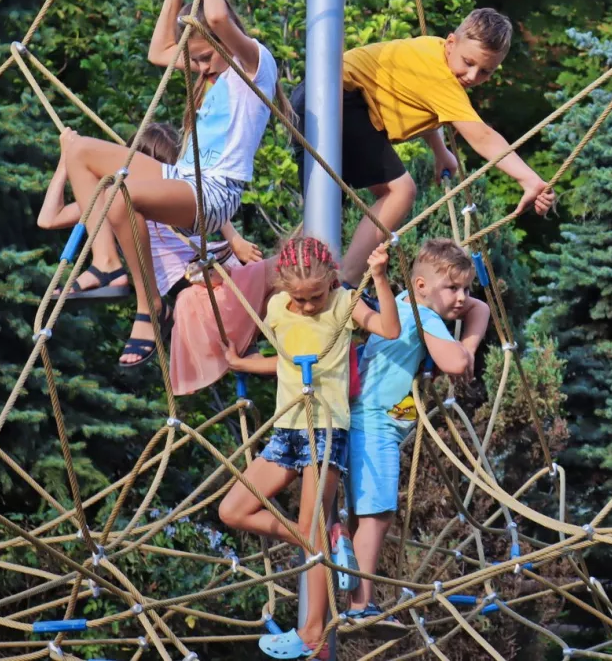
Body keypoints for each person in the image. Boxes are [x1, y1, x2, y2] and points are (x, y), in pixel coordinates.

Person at [60, 0, 280, 369]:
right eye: (193, 60)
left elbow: (215, 15)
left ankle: (150, 306)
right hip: (183, 180)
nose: (199, 68)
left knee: (122, 196)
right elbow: (159, 51)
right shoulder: (210, 74)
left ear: (221, 40)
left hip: (216, 193)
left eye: (204, 57)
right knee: (80, 152)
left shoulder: (253, 67)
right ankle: (107, 264)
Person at [221, 236, 400, 659]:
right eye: (298, 297)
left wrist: (380, 278)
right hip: (286, 429)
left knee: (311, 522)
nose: (306, 306)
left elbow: (389, 329)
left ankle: (313, 633)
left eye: (314, 296)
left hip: (325, 431)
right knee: (233, 510)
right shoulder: (278, 308)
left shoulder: (343, 304)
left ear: (332, 280)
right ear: (284, 288)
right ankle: (322, 536)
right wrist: (246, 364)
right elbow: (286, 359)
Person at [290, 8, 554, 285]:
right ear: (451, 43)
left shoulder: (433, 52)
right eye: (468, 62)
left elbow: (421, 102)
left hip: (318, 102)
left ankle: (273, 278)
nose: (472, 76)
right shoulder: (441, 77)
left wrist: (440, 151)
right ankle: (347, 281)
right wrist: (529, 179)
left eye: (485, 72)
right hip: (337, 101)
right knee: (400, 191)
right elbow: (482, 136)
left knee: (325, 214)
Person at [341, 238, 489, 622]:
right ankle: (360, 606)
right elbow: (455, 364)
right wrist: (464, 353)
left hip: (369, 419)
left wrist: (468, 346)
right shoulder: (423, 317)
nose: (461, 298)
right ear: (423, 287)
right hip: (374, 423)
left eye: (465, 287)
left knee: (367, 513)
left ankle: (357, 598)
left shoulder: (408, 300)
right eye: (452, 288)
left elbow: (481, 309)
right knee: (377, 515)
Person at [37, 122, 261, 303]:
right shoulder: (112, 197)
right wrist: (66, 161)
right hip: (183, 281)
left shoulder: (176, 192)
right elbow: (49, 218)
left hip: (203, 267)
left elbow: (206, 201)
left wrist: (235, 239)